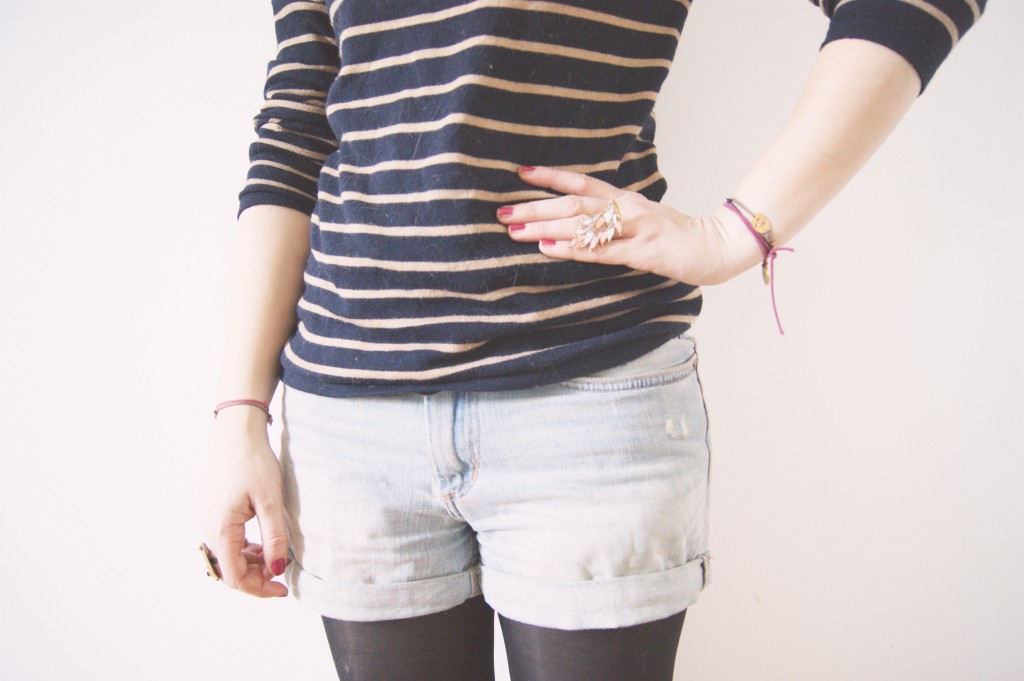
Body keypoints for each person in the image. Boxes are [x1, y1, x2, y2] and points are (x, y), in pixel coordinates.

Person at [201, 1, 985, 679]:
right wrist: (239, 414)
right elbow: (298, 126)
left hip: (586, 404)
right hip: (351, 428)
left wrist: (731, 235)